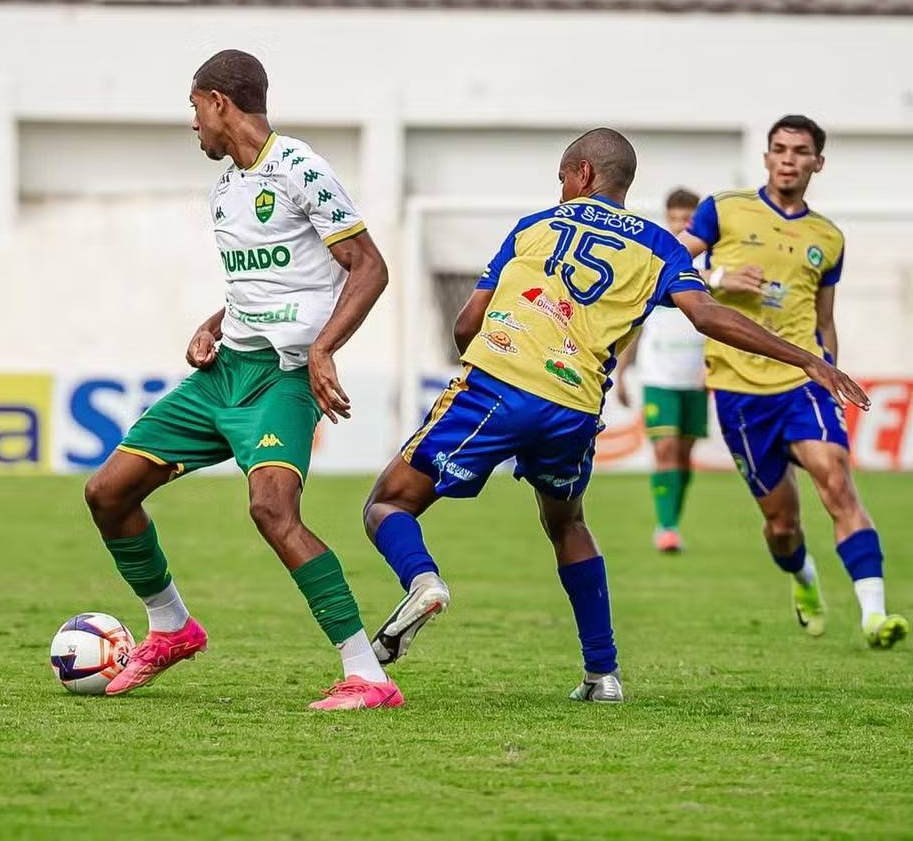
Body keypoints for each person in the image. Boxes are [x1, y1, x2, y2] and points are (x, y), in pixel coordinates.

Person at [361, 128, 870, 704]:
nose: (559, 189)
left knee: (389, 502)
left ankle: (424, 581)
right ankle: (603, 674)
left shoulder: (534, 227)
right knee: (568, 524)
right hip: (574, 408)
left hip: (498, 386)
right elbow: (706, 315)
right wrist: (806, 357)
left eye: (561, 178)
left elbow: (464, 326)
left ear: (580, 174)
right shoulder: (660, 246)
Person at [83, 49, 404, 711]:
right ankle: (171, 626)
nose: (193, 124)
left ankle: (369, 675)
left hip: (282, 381)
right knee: (108, 490)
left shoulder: (299, 168)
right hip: (223, 375)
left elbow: (368, 266)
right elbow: (259, 282)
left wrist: (323, 349)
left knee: (271, 510)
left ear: (219, 103)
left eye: (195, 108)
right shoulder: (226, 186)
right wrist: (213, 322)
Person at [680, 114, 907, 649]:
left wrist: (830, 367)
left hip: (803, 382)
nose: (788, 158)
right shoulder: (724, 209)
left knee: (836, 481)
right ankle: (803, 577)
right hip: (738, 389)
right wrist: (716, 278)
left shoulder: (827, 237)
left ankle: (875, 614)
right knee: (782, 527)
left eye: (800, 151)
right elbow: (666, 265)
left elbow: (824, 318)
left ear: (817, 163)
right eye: (779, 149)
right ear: (766, 157)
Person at [616, 188, 706, 553]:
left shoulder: (710, 267)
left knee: (684, 455)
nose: (681, 224)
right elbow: (634, 323)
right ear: (666, 219)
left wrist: (714, 364)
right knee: (666, 449)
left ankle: (673, 521)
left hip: (697, 376)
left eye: (688, 219)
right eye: (675, 218)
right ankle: (665, 527)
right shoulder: (654, 262)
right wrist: (621, 371)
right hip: (658, 375)